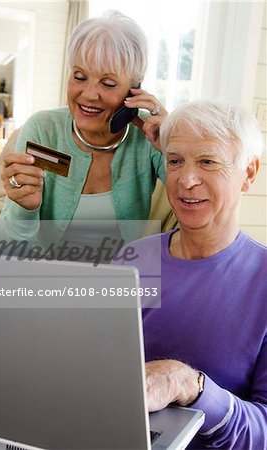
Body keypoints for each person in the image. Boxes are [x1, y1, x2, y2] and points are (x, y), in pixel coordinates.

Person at [114, 100, 267, 449]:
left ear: (249, 173)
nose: (187, 180)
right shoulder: (130, 262)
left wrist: (189, 385)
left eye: (208, 162)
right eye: (175, 161)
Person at [0, 10, 176, 262]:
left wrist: (170, 141)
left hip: (116, 284)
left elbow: (191, 194)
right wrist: (25, 208)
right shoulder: (42, 129)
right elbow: (9, 244)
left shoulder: (146, 140)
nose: (89, 94)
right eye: (79, 76)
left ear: (135, 90)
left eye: (108, 83)